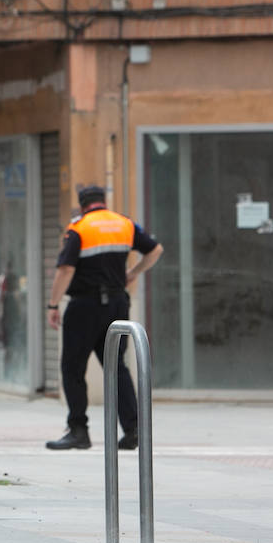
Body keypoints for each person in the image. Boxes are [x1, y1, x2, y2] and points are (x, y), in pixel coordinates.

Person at [45, 186, 163, 451]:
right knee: (116, 366)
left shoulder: (80, 228)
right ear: (103, 202)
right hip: (117, 304)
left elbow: (65, 269)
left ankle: (78, 430)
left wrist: (53, 304)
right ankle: (133, 430)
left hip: (84, 306)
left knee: (73, 367)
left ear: (83, 205)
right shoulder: (124, 224)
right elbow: (155, 250)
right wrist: (133, 272)